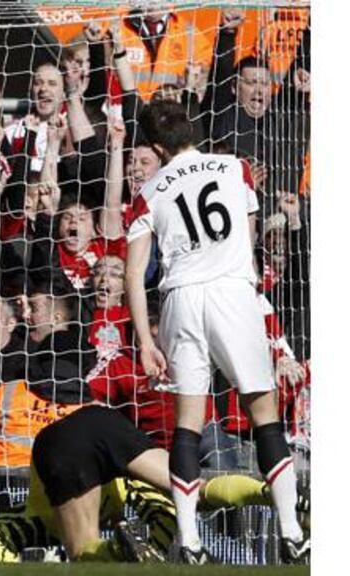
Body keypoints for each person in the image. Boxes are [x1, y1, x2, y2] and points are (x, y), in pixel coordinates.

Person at [125, 100, 308, 564]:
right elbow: (247, 242)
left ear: (155, 147)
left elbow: (133, 272)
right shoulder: (236, 167)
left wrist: (147, 342)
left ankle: (189, 542)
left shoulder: (149, 191)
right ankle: (291, 532)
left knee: (187, 422)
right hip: (230, 290)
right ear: (192, 130)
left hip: (180, 298)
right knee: (262, 410)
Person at [0, 402, 305, 563]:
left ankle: (116, 551)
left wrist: (16, 567)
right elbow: (163, 509)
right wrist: (154, 550)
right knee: (195, 491)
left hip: (58, 445)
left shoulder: (34, 522)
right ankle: (275, 494)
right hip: (102, 418)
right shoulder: (123, 490)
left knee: (83, 551)